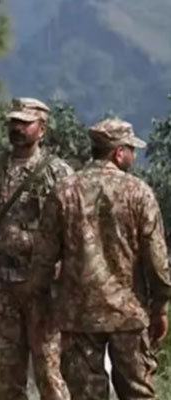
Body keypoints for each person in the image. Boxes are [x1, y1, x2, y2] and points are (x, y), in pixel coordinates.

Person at [31, 118, 171, 400]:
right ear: (118, 153)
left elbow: (43, 257)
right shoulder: (138, 192)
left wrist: (41, 301)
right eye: (131, 150)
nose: (134, 156)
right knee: (138, 393)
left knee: (86, 395)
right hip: (129, 315)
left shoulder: (65, 190)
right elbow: (156, 259)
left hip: (78, 316)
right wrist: (161, 306)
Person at [0, 98, 72, 400]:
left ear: (42, 129)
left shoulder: (58, 173)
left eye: (25, 123)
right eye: (14, 122)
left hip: (40, 286)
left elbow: (74, 229)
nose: (17, 128)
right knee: (5, 375)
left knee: (49, 373)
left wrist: (65, 276)